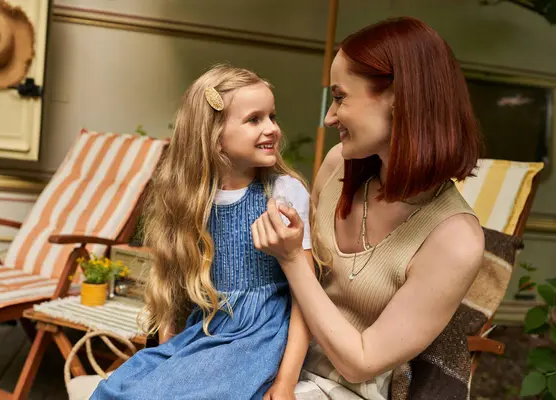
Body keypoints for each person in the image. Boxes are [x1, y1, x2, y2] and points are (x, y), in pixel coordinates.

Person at [252, 17, 485, 399]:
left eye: (340, 97)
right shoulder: (337, 165)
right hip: (272, 355)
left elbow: (360, 361)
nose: (329, 117)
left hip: (343, 387)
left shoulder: (455, 239)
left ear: (398, 97)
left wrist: (293, 259)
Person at [91, 65, 314, 400]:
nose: (272, 129)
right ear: (213, 134)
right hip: (208, 328)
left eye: (272, 116)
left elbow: (305, 297)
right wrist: (171, 362)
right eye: (255, 119)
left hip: (257, 336)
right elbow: (176, 292)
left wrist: (285, 382)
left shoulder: (283, 193)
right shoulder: (194, 201)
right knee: (114, 390)